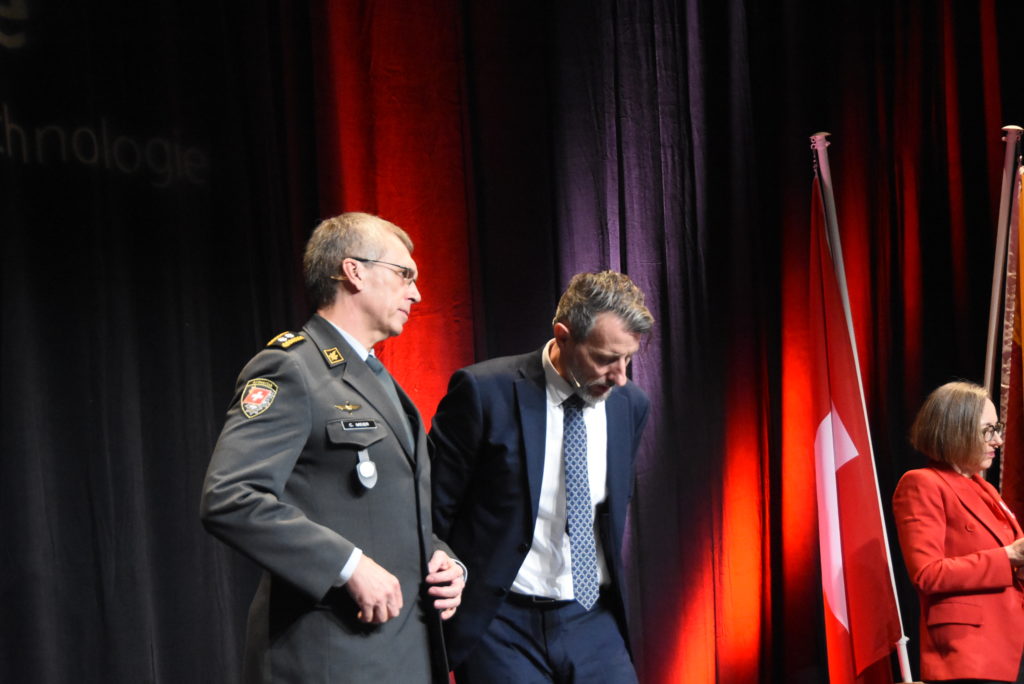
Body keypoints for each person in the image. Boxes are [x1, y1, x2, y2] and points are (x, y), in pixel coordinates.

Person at [200, 212, 464, 683]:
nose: (417, 294)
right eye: (404, 274)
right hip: (332, 654)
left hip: (405, 652)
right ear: (354, 271)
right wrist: (347, 565)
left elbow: (392, 507)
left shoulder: (376, 378)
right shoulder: (291, 368)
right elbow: (230, 497)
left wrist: (444, 558)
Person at [429, 270, 654, 683]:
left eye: (628, 359)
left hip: (590, 616)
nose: (620, 376)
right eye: (606, 359)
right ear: (563, 336)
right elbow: (432, 510)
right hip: (501, 623)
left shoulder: (630, 405)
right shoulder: (483, 393)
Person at [893, 380, 1024, 683]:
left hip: (1012, 646)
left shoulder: (985, 489)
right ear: (957, 430)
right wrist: (1008, 557)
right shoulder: (922, 483)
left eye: (998, 429)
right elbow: (928, 574)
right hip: (971, 654)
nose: (998, 440)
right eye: (988, 430)